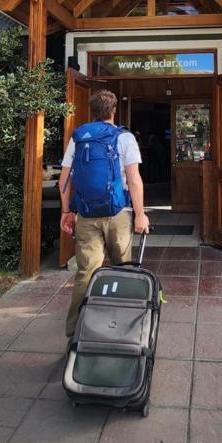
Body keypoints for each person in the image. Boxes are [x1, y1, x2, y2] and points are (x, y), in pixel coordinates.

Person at [60, 89, 149, 339]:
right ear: (113, 111)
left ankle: (75, 333)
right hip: (118, 212)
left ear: (92, 112)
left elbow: (64, 181)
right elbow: (134, 180)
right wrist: (141, 215)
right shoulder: (125, 138)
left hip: (86, 214)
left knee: (87, 273)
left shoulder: (79, 138)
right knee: (123, 270)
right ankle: (121, 329)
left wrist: (67, 211)